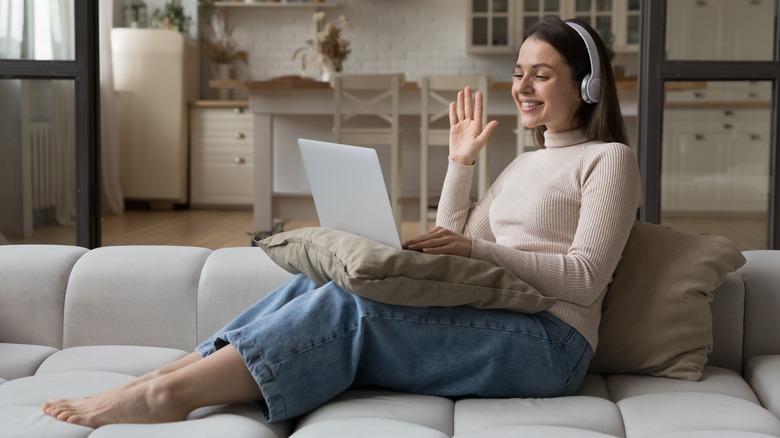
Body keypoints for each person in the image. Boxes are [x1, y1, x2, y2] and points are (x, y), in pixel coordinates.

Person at [42, 15, 641, 427]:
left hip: (550, 345)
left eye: (541, 74)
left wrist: (477, 251)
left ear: (586, 86)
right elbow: (452, 244)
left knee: (354, 308)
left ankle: (165, 395)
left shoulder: (609, 160)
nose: (523, 87)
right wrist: (460, 164)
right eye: (518, 72)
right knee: (328, 283)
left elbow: (584, 280)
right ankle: (166, 373)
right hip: (499, 317)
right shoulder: (522, 164)